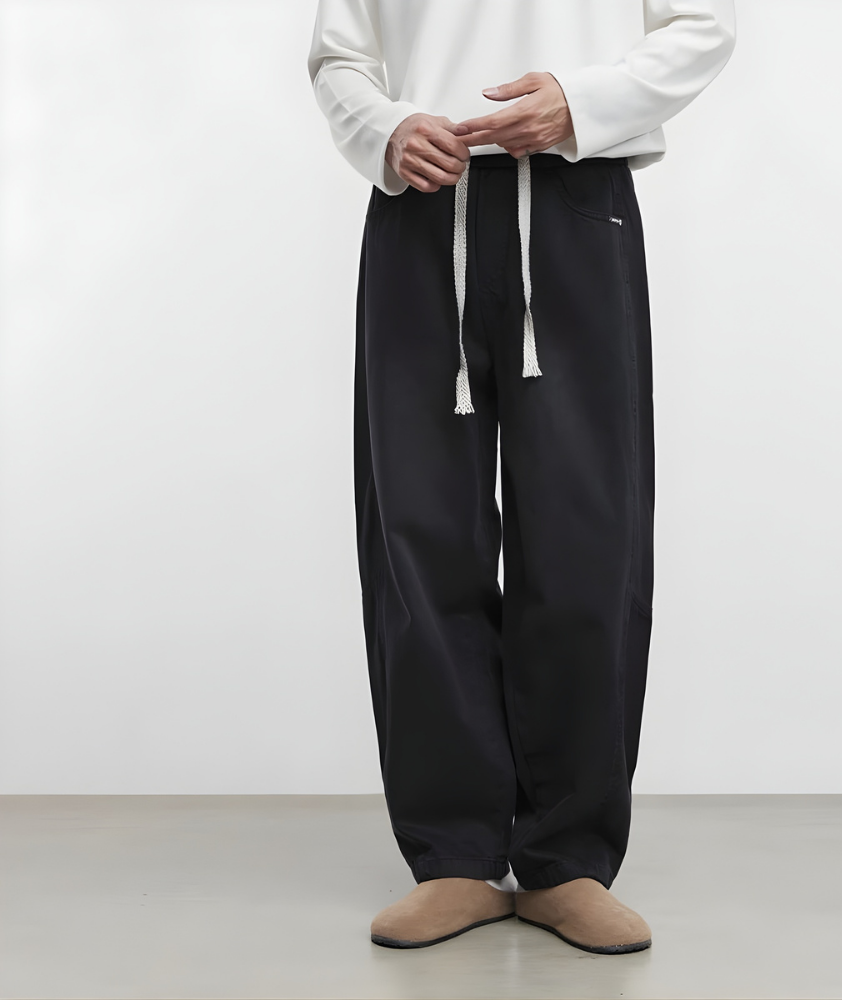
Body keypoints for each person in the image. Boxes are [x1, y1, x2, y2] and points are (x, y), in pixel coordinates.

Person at [307, 0, 736, 955]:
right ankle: (453, 856)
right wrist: (386, 131)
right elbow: (340, 55)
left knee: (588, 533)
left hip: (579, 195)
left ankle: (567, 859)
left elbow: (703, 24)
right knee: (420, 531)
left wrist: (581, 102)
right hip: (423, 202)